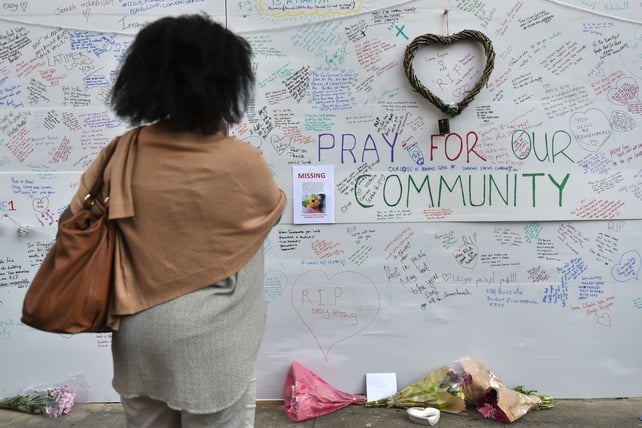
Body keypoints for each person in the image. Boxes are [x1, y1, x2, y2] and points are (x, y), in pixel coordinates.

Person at [68, 14, 286, 428]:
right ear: (227, 84)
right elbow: (271, 213)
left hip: (137, 342)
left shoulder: (121, 152)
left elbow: (75, 219)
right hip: (215, 350)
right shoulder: (242, 162)